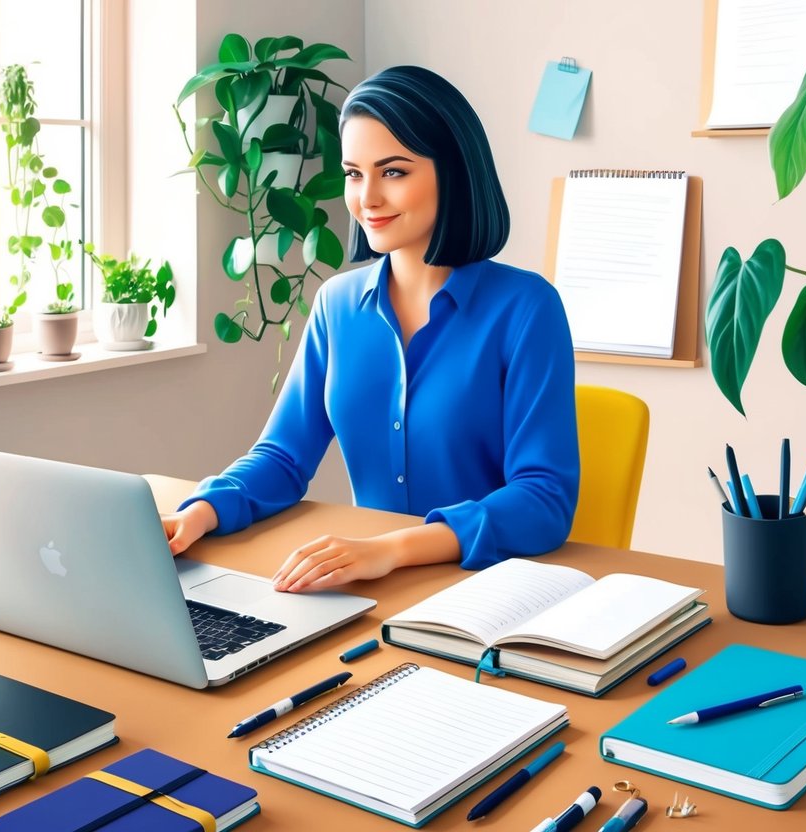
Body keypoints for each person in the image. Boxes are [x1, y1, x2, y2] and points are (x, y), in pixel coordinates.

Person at [162, 65, 579, 592]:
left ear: (452, 171)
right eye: (354, 173)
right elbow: (283, 456)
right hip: (368, 589)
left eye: (394, 171)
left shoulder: (527, 308)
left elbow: (544, 498)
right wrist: (200, 513)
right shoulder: (336, 306)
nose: (367, 199)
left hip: (488, 593)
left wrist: (389, 550)